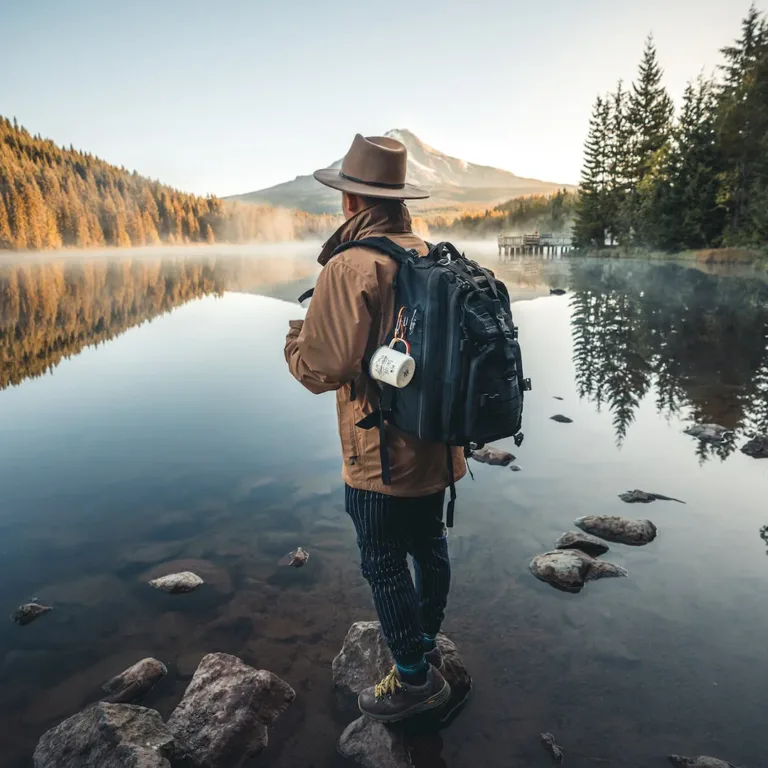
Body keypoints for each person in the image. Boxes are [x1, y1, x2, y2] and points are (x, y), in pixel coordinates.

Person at [284, 134, 466, 722]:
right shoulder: (431, 252)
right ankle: (426, 644)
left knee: (382, 560)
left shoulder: (351, 264)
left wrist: (293, 342)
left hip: (380, 454)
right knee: (429, 544)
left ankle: (414, 678)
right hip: (440, 446)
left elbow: (323, 369)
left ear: (351, 202)